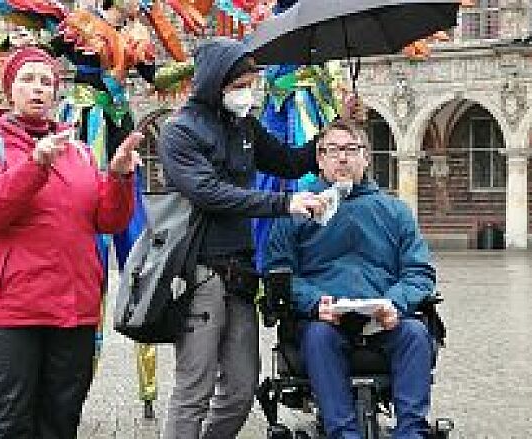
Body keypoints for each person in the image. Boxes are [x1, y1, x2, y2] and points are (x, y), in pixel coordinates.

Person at [0, 46, 142, 439]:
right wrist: (35, 165)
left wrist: (120, 179)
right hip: (9, 314)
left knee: (60, 423)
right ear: (9, 91)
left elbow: (105, 220)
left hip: (71, 310)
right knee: (7, 425)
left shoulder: (77, 150)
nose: (38, 88)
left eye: (46, 81)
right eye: (28, 79)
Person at [157, 37, 327, 438]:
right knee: (194, 389)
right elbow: (208, 191)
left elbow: (288, 162)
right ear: (217, 83)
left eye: (251, 84)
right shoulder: (179, 133)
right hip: (199, 271)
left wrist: (328, 133)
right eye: (240, 85)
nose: (247, 93)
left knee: (240, 388)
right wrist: (282, 205)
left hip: (240, 272)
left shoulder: (245, 126)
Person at [265, 119, 436, 439]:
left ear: (366, 157)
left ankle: (411, 431)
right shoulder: (298, 211)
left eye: (350, 150)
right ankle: (342, 432)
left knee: (415, 332)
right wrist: (315, 302)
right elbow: (279, 274)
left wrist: (395, 304)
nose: (342, 158)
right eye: (333, 151)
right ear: (320, 159)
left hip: (386, 317)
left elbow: (419, 272)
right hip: (325, 319)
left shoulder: (395, 211)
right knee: (318, 337)